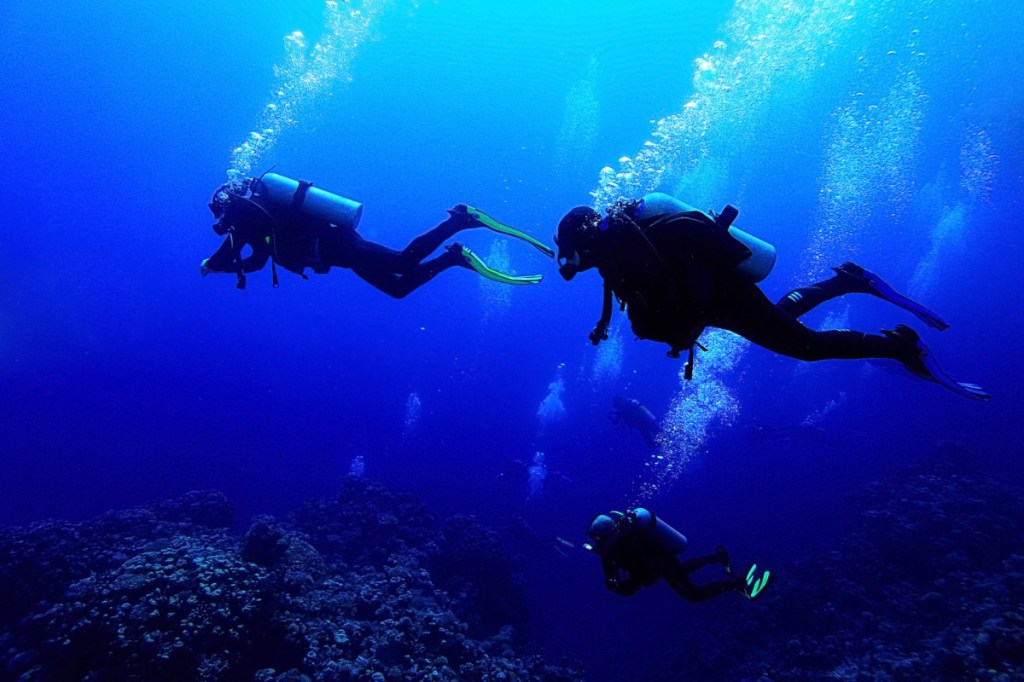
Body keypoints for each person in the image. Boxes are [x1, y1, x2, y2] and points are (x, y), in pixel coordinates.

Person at [554, 193, 989, 400]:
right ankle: (848, 281)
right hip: (718, 304)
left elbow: (664, 302)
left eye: (571, 254)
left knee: (806, 347)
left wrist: (674, 327)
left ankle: (901, 346)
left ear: (583, 241)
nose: (572, 264)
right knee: (782, 322)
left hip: (723, 299)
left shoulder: (627, 255)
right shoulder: (620, 255)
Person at [201, 172, 553, 295]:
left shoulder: (246, 216)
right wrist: (222, 267)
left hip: (338, 244)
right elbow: (257, 263)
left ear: (227, 204)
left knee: (402, 261)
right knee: (398, 287)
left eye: (220, 214)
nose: (221, 223)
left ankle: (460, 220)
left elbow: (227, 255)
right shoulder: (252, 226)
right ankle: (454, 257)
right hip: (337, 256)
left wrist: (211, 265)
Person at [584, 508, 769, 602]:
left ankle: (739, 584)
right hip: (664, 560)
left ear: (599, 538)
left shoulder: (612, 549)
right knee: (679, 571)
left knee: (692, 596)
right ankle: (716, 557)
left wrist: (620, 586)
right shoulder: (628, 531)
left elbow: (624, 583)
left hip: (661, 564)